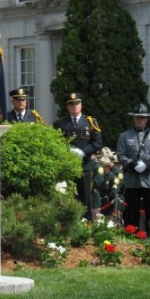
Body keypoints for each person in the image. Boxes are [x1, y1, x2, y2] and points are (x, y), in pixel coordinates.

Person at [53, 92, 102, 220]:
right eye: (71, 104)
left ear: (81, 105)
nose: (75, 106)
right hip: (67, 166)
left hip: (85, 165)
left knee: (85, 197)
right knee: (66, 195)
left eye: (77, 103)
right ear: (67, 106)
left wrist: (83, 152)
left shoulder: (90, 122)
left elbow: (97, 143)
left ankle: (86, 225)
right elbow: (55, 142)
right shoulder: (60, 124)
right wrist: (67, 151)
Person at [116, 103, 150, 232]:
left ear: (146, 119)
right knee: (131, 211)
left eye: (142, 117)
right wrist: (133, 164)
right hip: (132, 179)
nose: (140, 120)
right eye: (137, 117)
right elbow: (120, 154)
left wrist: (146, 164)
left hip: (148, 179)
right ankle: (132, 237)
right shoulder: (125, 136)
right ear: (134, 119)